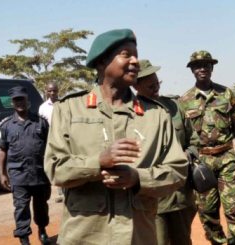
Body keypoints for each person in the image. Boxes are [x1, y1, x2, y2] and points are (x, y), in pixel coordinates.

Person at [44, 29, 189, 244]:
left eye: (136, 55)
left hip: (138, 236)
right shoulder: (69, 109)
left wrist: (138, 178)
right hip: (85, 237)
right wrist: (98, 162)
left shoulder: (156, 115)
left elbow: (177, 171)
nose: (135, 61)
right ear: (102, 62)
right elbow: (55, 168)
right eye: (126, 54)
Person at [179, 50, 235, 245]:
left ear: (212, 68)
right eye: (197, 66)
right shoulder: (184, 101)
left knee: (232, 206)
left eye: (206, 65)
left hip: (227, 157)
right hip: (201, 164)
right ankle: (219, 242)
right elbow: (183, 137)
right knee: (208, 211)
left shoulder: (226, 94)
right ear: (192, 70)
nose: (202, 68)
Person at [134, 59, 199, 245]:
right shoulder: (131, 112)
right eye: (150, 86)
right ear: (136, 86)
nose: (156, 89)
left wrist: (188, 154)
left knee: (183, 240)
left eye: (157, 84)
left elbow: (193, 140)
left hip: (181, 194)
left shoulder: (173, 106)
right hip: (154, 198)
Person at [0, 86, 51, 245]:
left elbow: (51, 147)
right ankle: (24, 238)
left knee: (41, 206)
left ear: (28, 101)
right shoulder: (6, 125)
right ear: (12, 103)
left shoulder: (41, 122)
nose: (19, 102)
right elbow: (2, 150)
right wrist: (2, 173)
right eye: (16, 100)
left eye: (22, 99)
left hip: (40, 173)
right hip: (18, 174)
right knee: (21, 207)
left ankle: (42, 230)